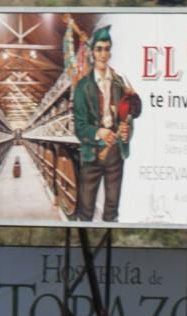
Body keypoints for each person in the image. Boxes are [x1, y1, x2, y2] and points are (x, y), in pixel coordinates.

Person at [73, 25, 132, 222]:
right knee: (86, 209)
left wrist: (127, 132)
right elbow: (79, 127)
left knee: (112, 209)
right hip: (92, 153)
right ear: (92, 52)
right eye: (99, 49)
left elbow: (127, 116)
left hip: (115, 152)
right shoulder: (83, 87)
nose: (103, 54)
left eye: (106, 49)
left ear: (110, 52)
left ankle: (109, 236)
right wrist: (99, 132)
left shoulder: (119, 83)